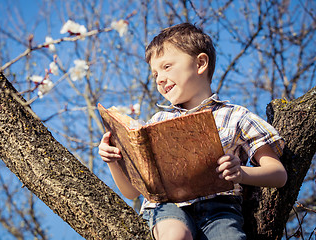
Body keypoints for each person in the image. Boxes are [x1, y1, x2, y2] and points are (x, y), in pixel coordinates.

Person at [98, 22, 287, 240]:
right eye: (155, 73)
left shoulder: (236, 116)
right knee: (176, 236)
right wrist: (113, 160)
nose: (159, 79)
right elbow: (132, 192)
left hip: (220, 210)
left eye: (167, 66)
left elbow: (278, 175)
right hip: (167, 207)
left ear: (200, 63)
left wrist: (241, 174)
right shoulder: (155, 123)